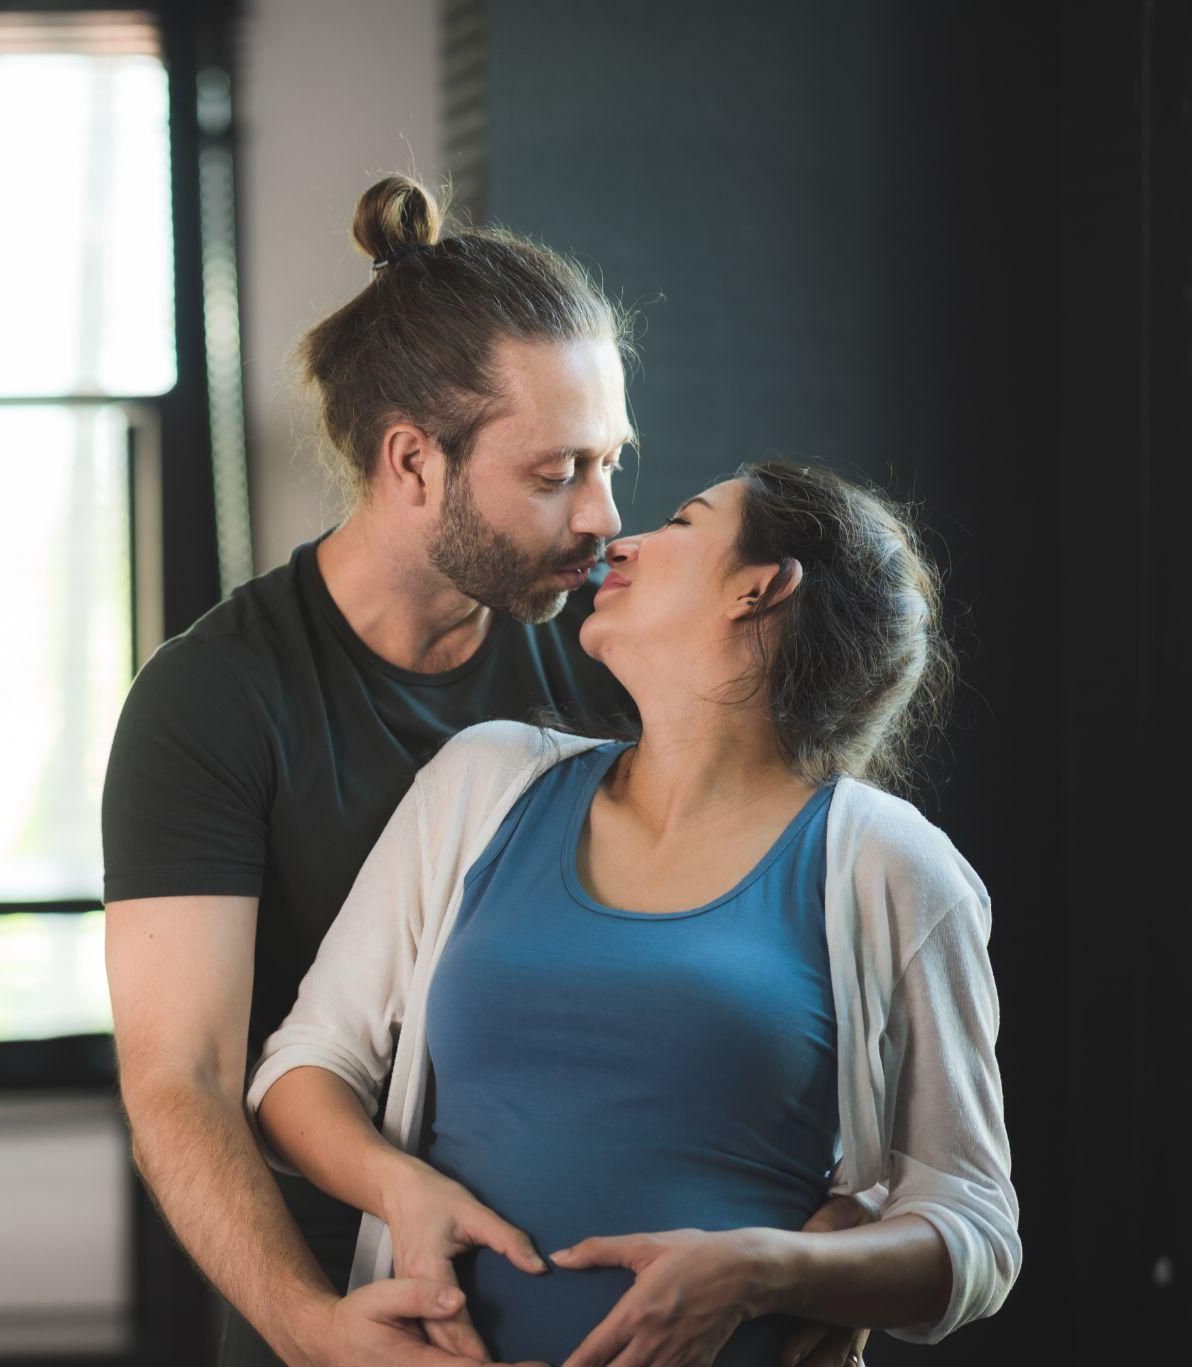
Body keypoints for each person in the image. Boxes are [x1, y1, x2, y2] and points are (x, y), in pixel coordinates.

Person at [101, 173, 874, 1367]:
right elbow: (181, 1082)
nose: (603, 518)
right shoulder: (213, 700)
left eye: (612, 462)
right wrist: (311, 1329)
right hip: (350, 1300)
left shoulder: (614, 644)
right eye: (555, 471)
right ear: (412, 464)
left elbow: (797, 948)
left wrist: (813, 1260)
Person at [247, 461, 1021, 1367]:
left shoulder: (893, 865)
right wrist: (400, 1187)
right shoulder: (482, 782)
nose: (622, 540)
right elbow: (300, 1069)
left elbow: (974, 1228)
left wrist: (765, 1270)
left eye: (682, 523)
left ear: (759, 587)